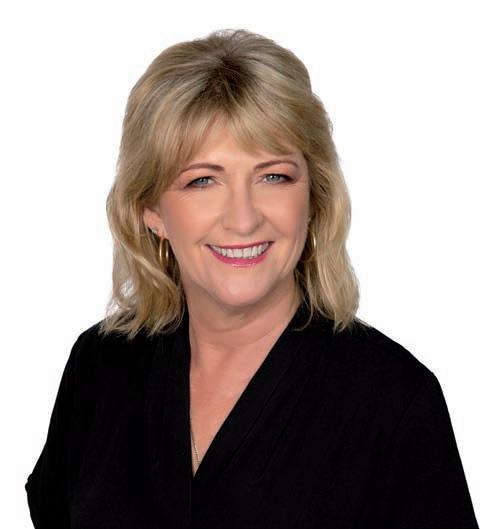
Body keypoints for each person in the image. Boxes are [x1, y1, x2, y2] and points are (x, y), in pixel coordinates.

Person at [25, 28, 479, 529]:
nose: (243, 220)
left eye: (273, 176)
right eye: (203, 180)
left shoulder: (394, 401)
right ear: (150, 209)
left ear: (314, 198)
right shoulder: (99, 367)